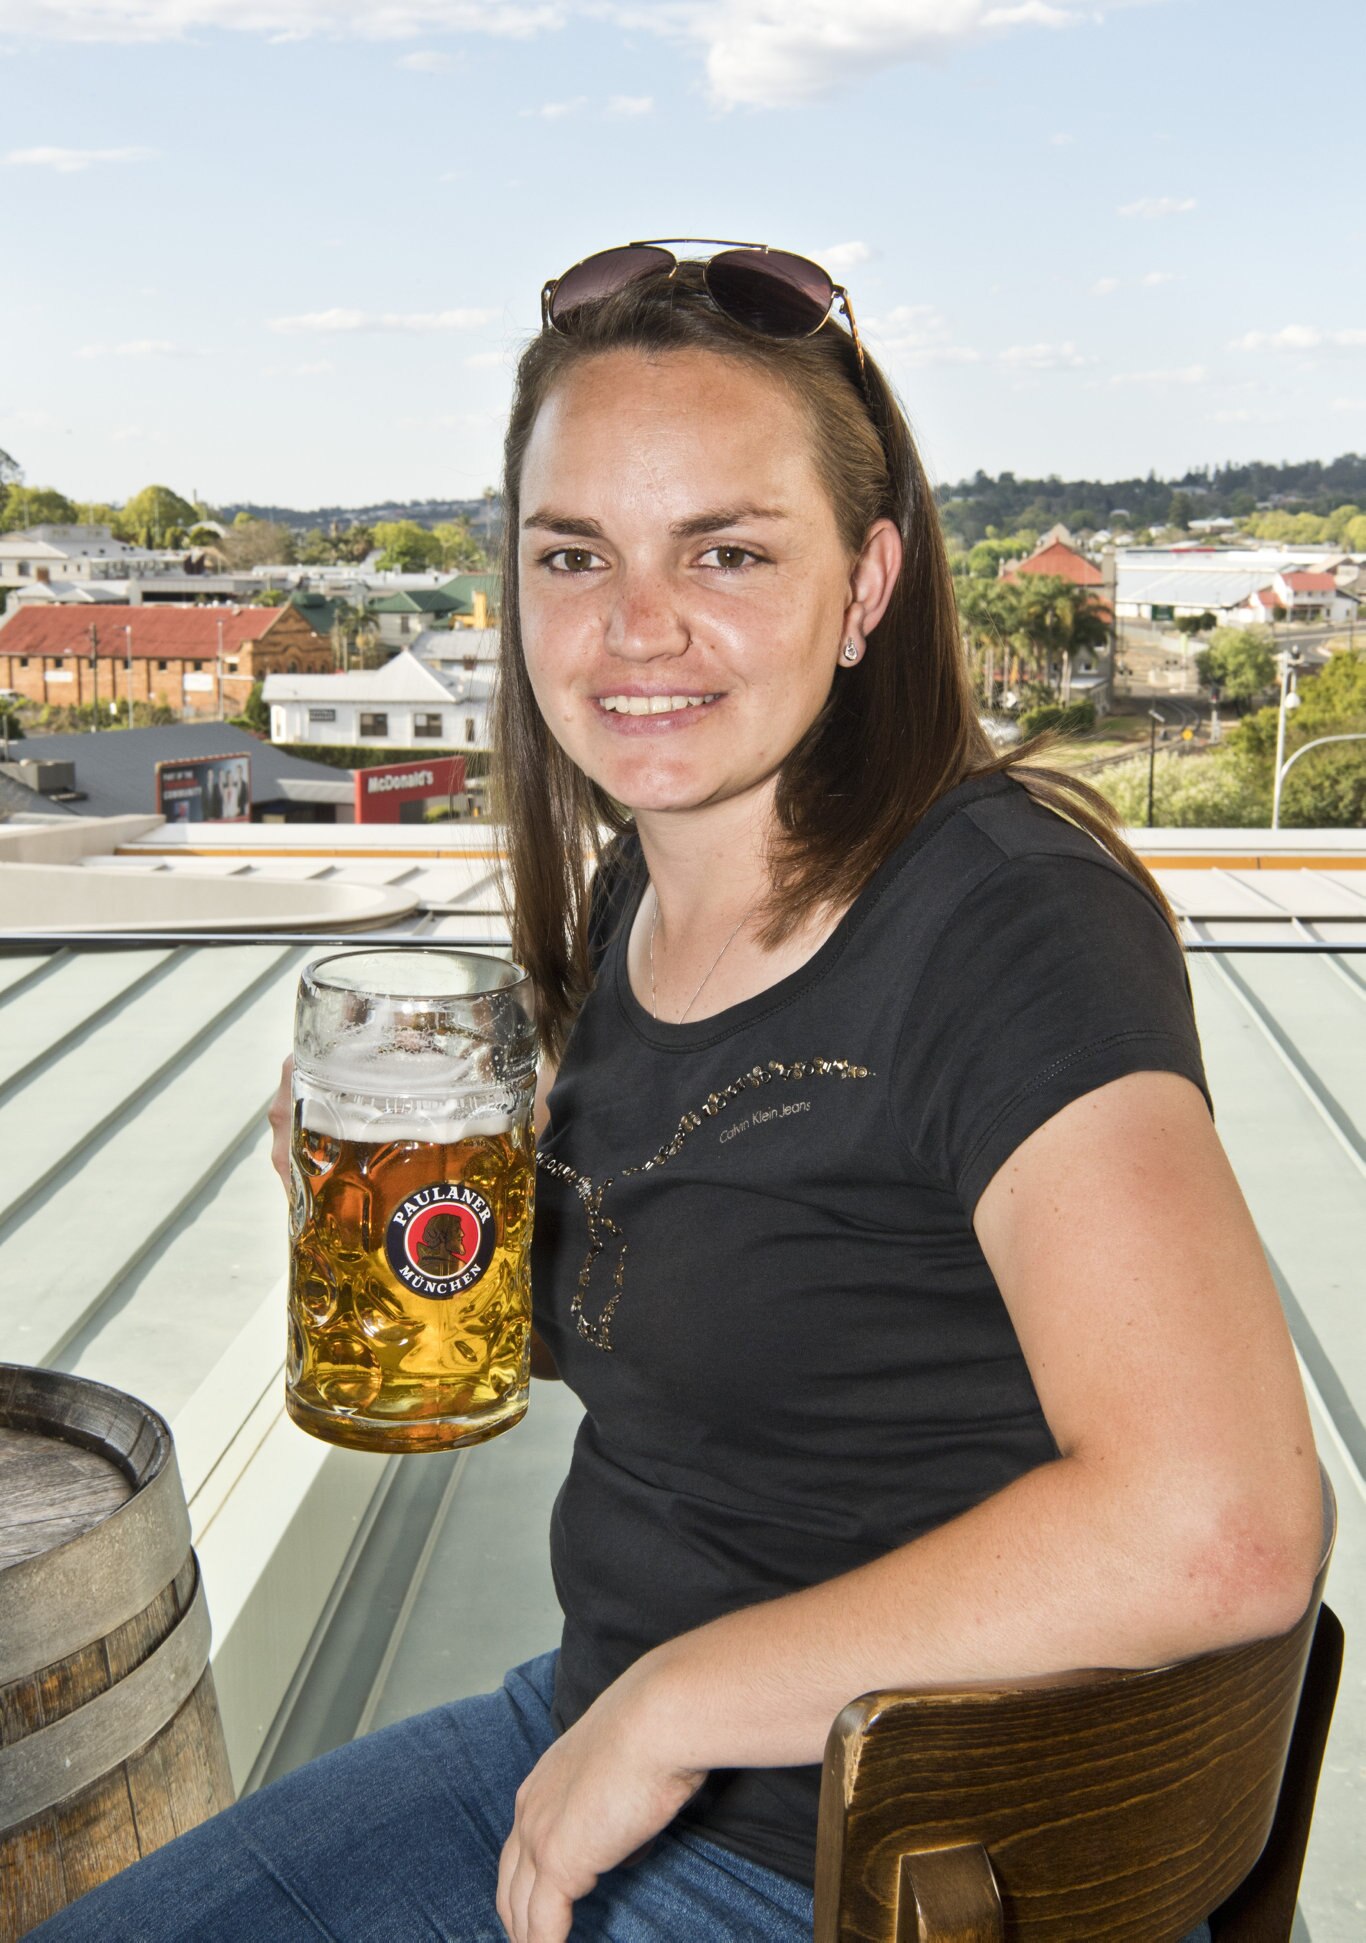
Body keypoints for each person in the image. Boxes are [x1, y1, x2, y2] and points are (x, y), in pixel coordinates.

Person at [35, 244, 1322, 1943]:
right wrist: (430, 1240)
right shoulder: (640, 897)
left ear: (865, 584)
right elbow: (742, 1325)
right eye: (575, 555)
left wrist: (673, 1709)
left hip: (871, 1860)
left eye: (725, 550)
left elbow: (1222, 1527)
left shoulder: (1008, 922)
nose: (637, 627)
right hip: (606, 1729)